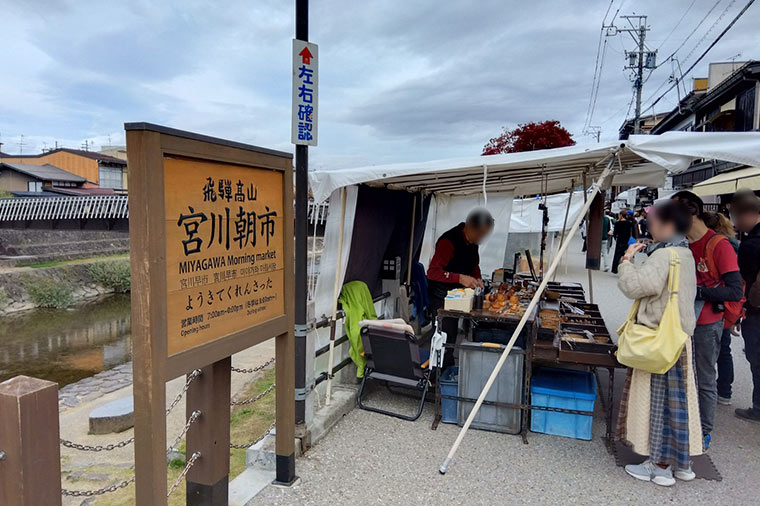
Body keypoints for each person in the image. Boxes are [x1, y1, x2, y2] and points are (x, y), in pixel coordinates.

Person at [616, 199, 701, 487]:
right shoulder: (684, 253)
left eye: (652, 223)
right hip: (679, 338)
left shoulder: (664, 256)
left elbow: (637, 287)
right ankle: (682, 464)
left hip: (659, 340)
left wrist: (626, 261)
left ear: (667, 225)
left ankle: (660, 466)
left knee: (660, 404)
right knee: (679, 405)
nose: (648, 227)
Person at [672, 191, 743, 446]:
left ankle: (703, 431)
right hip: (680, 319)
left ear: (691, 213)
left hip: (706, 323)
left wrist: (697, 291)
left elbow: (734, 289)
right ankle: (681, 424)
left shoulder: (719, 245)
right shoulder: (681, 243)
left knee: (703, 376)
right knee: (679, 374)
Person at [427, 208, 494, 368]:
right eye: (480, 233)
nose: (481, 237)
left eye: (485, 234)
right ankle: (435, 375)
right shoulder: (448, 242)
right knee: (443, 336)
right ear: (470, 226)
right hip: (441, 296)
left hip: (457, 296)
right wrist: (460, 278)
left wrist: (477, 278)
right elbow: (432, 272)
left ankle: (447, 369)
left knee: (452, 336)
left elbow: (474, 265)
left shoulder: (472, 243)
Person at [703, 211, 741, 406]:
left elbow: (733, 284)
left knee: (718, 349)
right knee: (724, 349)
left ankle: (722, 390)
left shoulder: (719, 246)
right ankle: (725, 390)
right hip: (728, 304)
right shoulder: (733, 243)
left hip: (719, 302)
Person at [729, 190, 760, 423]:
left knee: (756, 356)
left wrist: (738, 311)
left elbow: (742, 281)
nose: (735, 222)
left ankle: (759, 406)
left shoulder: (751, 245)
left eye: (736, 216)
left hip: (756, 309)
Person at [611, 209, 635, 273]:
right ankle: (627, 268)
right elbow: (633, 233)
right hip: (628, 241)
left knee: (617, 255)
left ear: (621, 215)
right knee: (627, 255)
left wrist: (615, 238)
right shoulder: (629, 224)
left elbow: (615, 233)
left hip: (620, 240)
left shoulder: (617, 223)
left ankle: (615, 269)